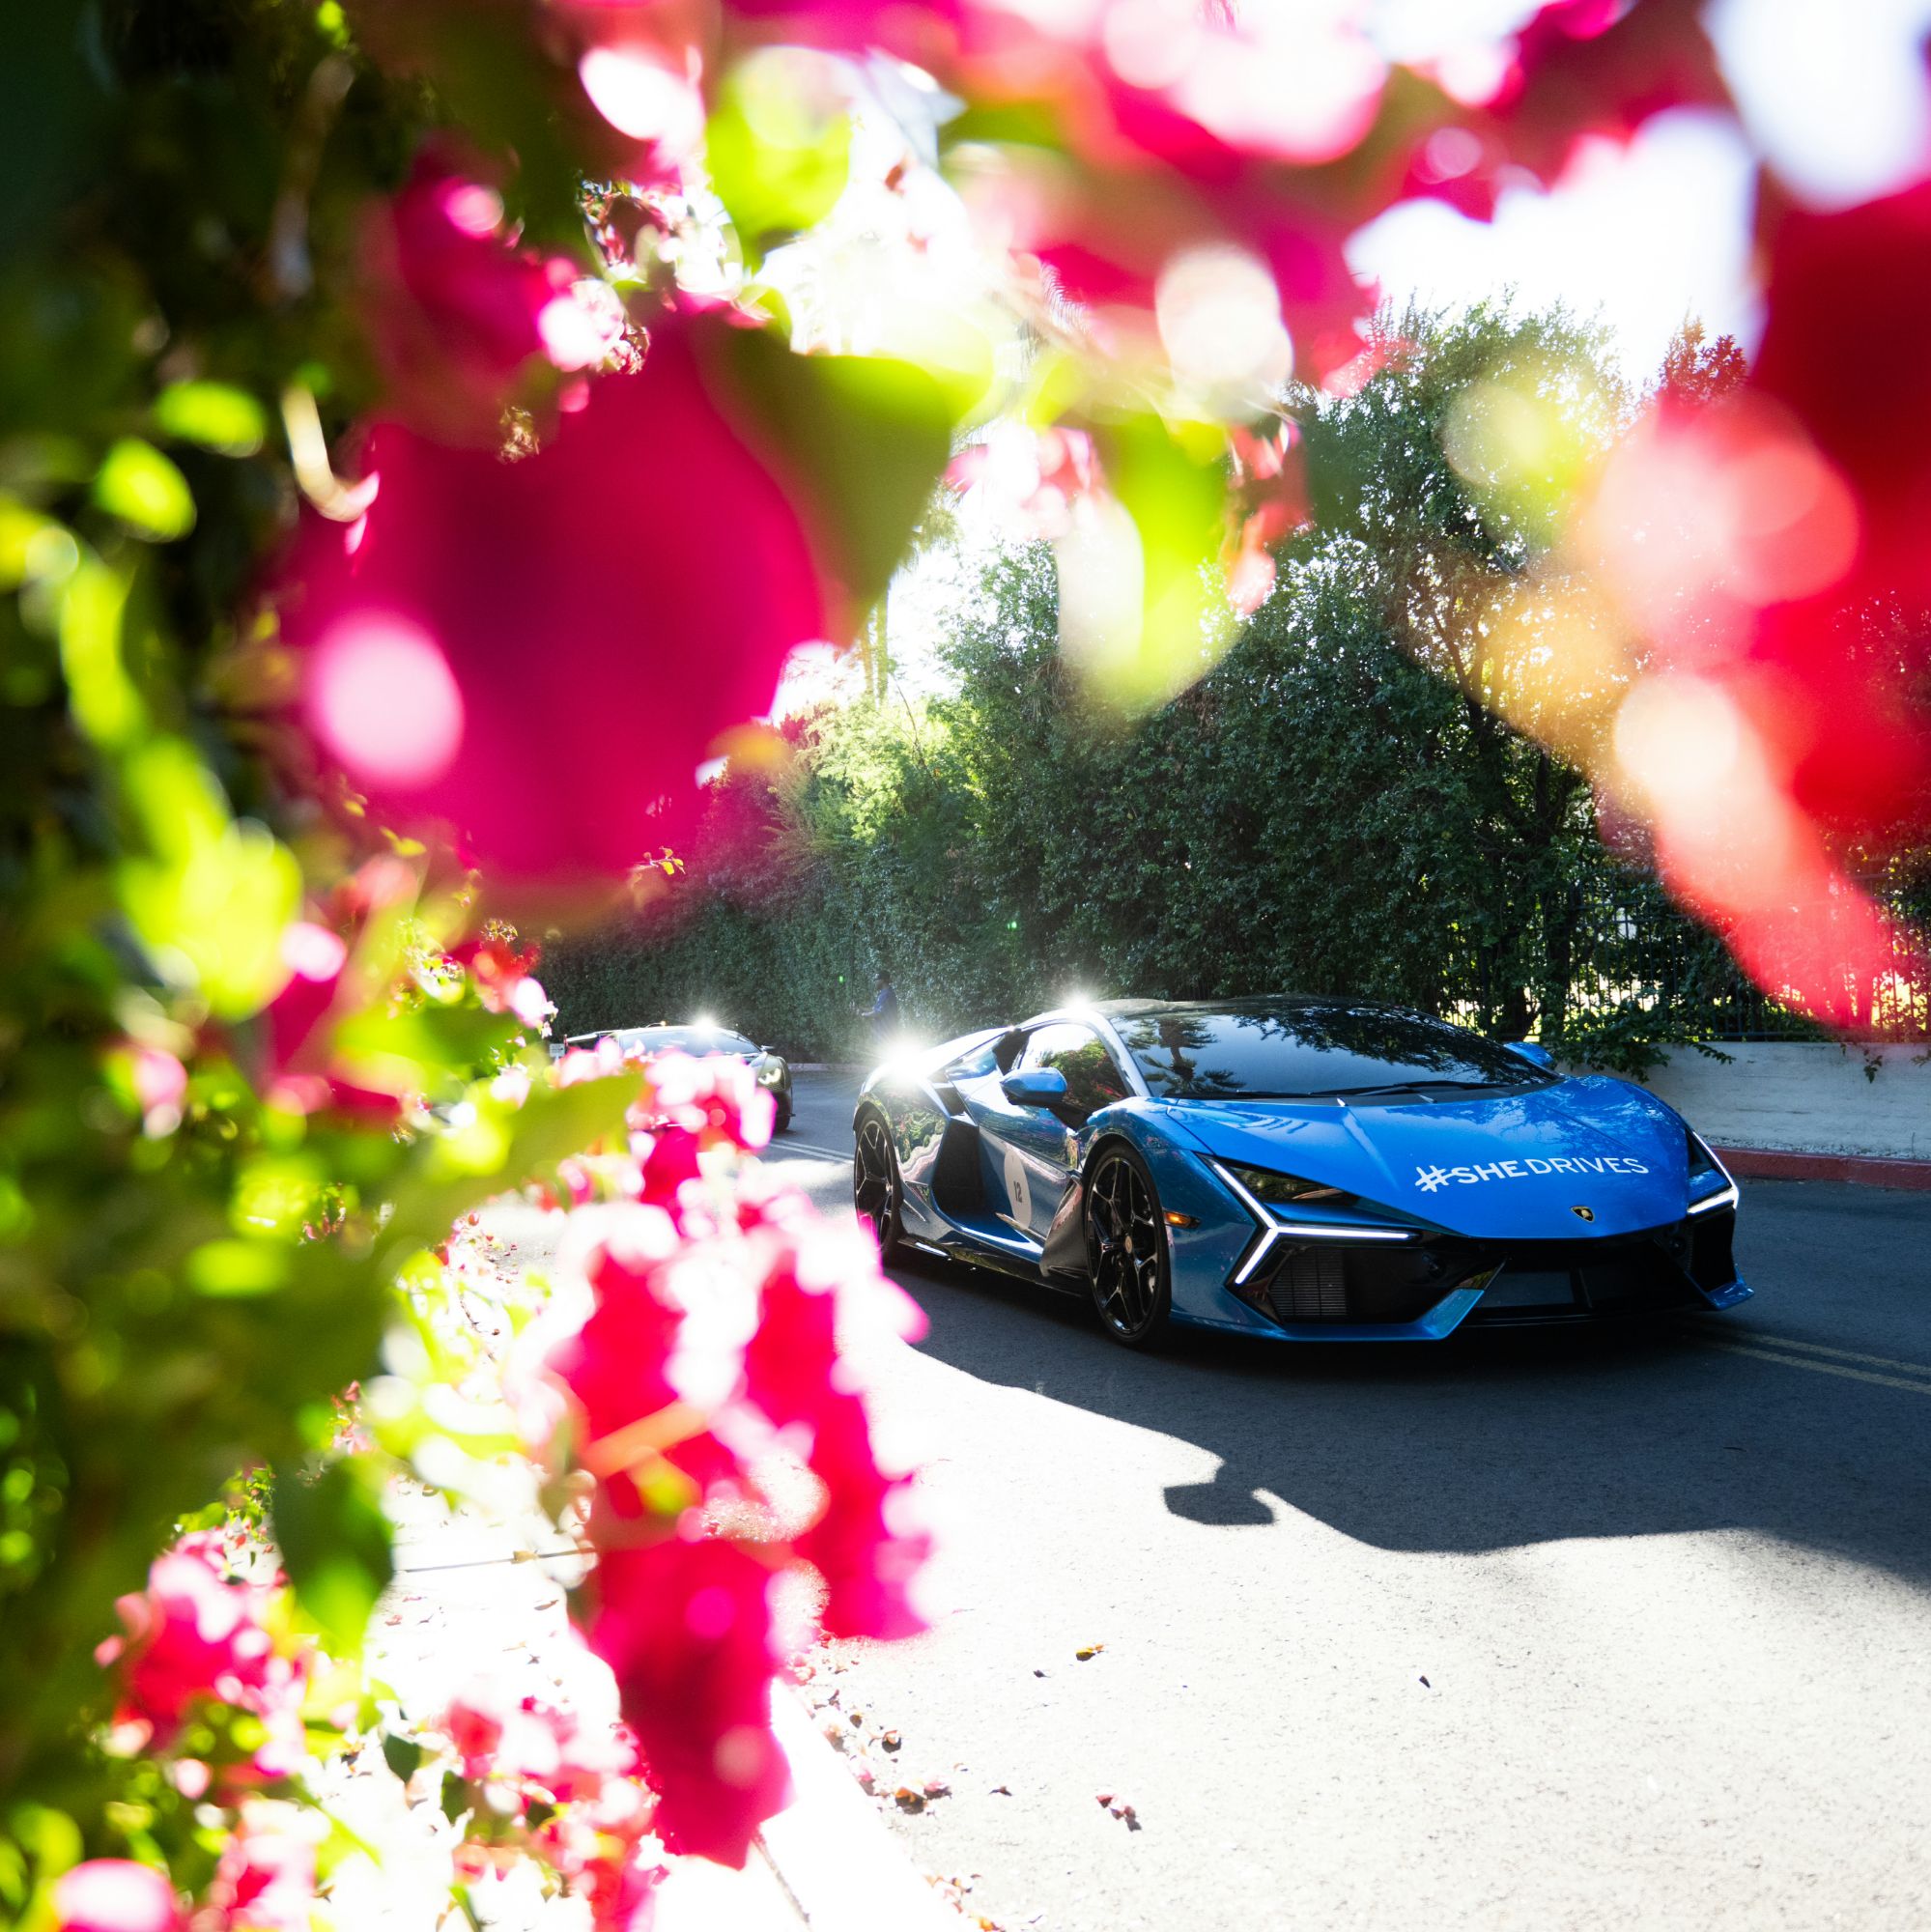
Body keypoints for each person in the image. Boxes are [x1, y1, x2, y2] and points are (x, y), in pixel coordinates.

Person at [859, 969, 898, 1045]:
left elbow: (877, 1013)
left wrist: (863, 1015)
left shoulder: (886, 994)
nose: (875, 982)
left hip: (887, 1036)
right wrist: (861, 1009)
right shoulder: (885, 993)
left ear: (882, 980)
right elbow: (874, 1009)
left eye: (876, 980)